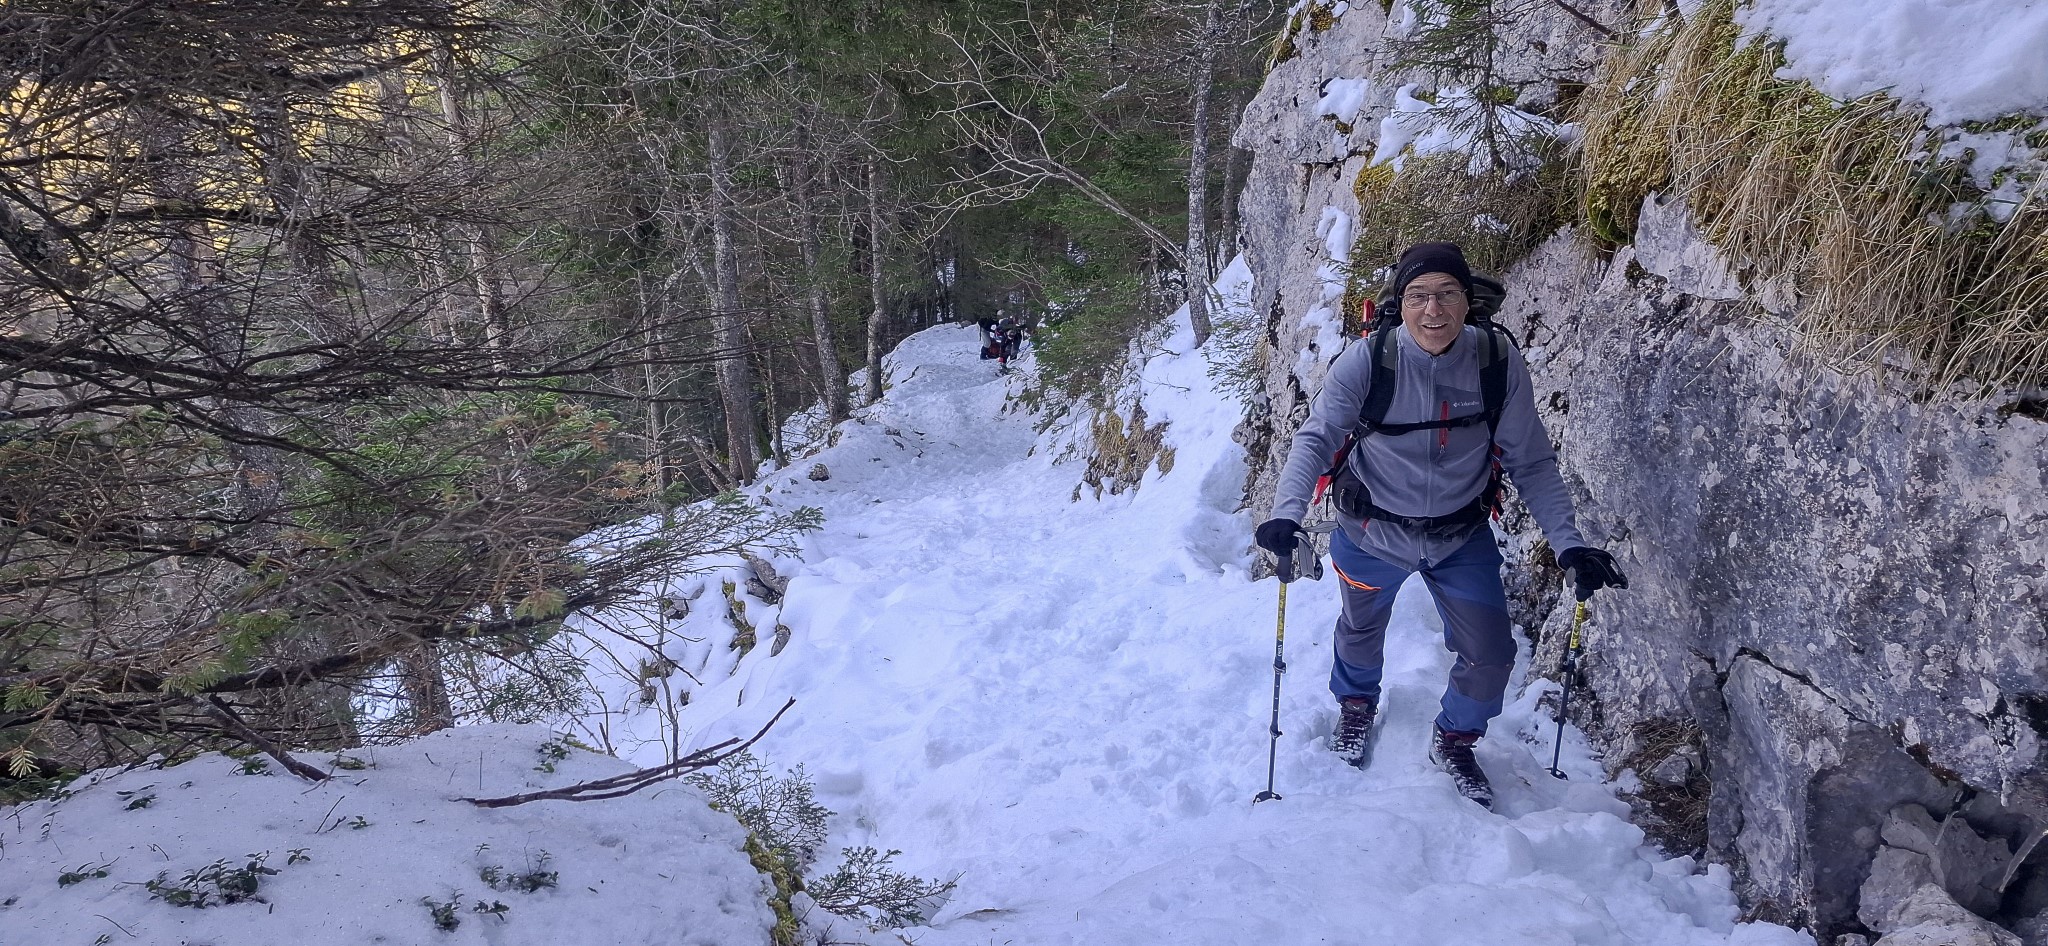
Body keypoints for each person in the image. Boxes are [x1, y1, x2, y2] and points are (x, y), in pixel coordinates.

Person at [1253, 241, 1627, 809]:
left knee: (1492, 653)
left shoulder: (1495, 363)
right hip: (1371, 533)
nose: (1433, 309)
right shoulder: (1367, 361)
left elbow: (1531, 461)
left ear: (1467, 300)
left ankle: (1455, 736)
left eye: (1448, 293)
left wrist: (1568, 545)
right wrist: (1287, 513)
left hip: (1460, 538)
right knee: (1360, 628)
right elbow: (1317, 438)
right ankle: (1355, 705)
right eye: (1419, 296)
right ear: (1400, 303)